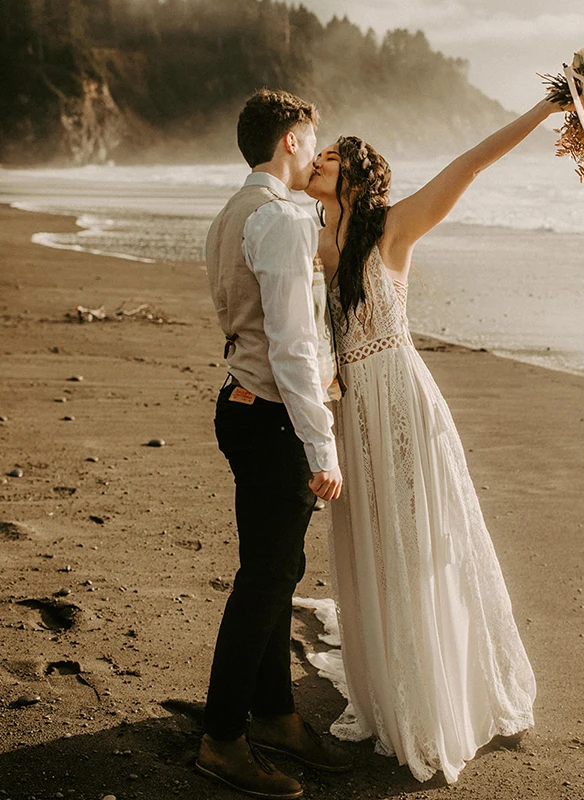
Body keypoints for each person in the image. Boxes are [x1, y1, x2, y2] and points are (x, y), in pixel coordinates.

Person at [305, 95, 566, 783]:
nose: (317, 160)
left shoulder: (393, 227)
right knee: (373, 550)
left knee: (420, 547)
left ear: (356, 175)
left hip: (403, 404)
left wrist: (549, 105)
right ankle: (391, 687)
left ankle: (441, 692)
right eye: (316, 152)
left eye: (329, 156)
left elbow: (473, 163)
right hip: (350, 412)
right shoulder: (313, 242)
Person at [198, 88, 352, 799]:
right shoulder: (284, 222)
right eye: (311, 135)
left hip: (240, 404)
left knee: (274, 571)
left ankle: (277, 714)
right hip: (272, 416)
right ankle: (223, 739)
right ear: (290, 140)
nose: (317, 148)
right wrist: (322, 447)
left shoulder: (232, 212)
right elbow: (292, 347)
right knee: (265, 581)